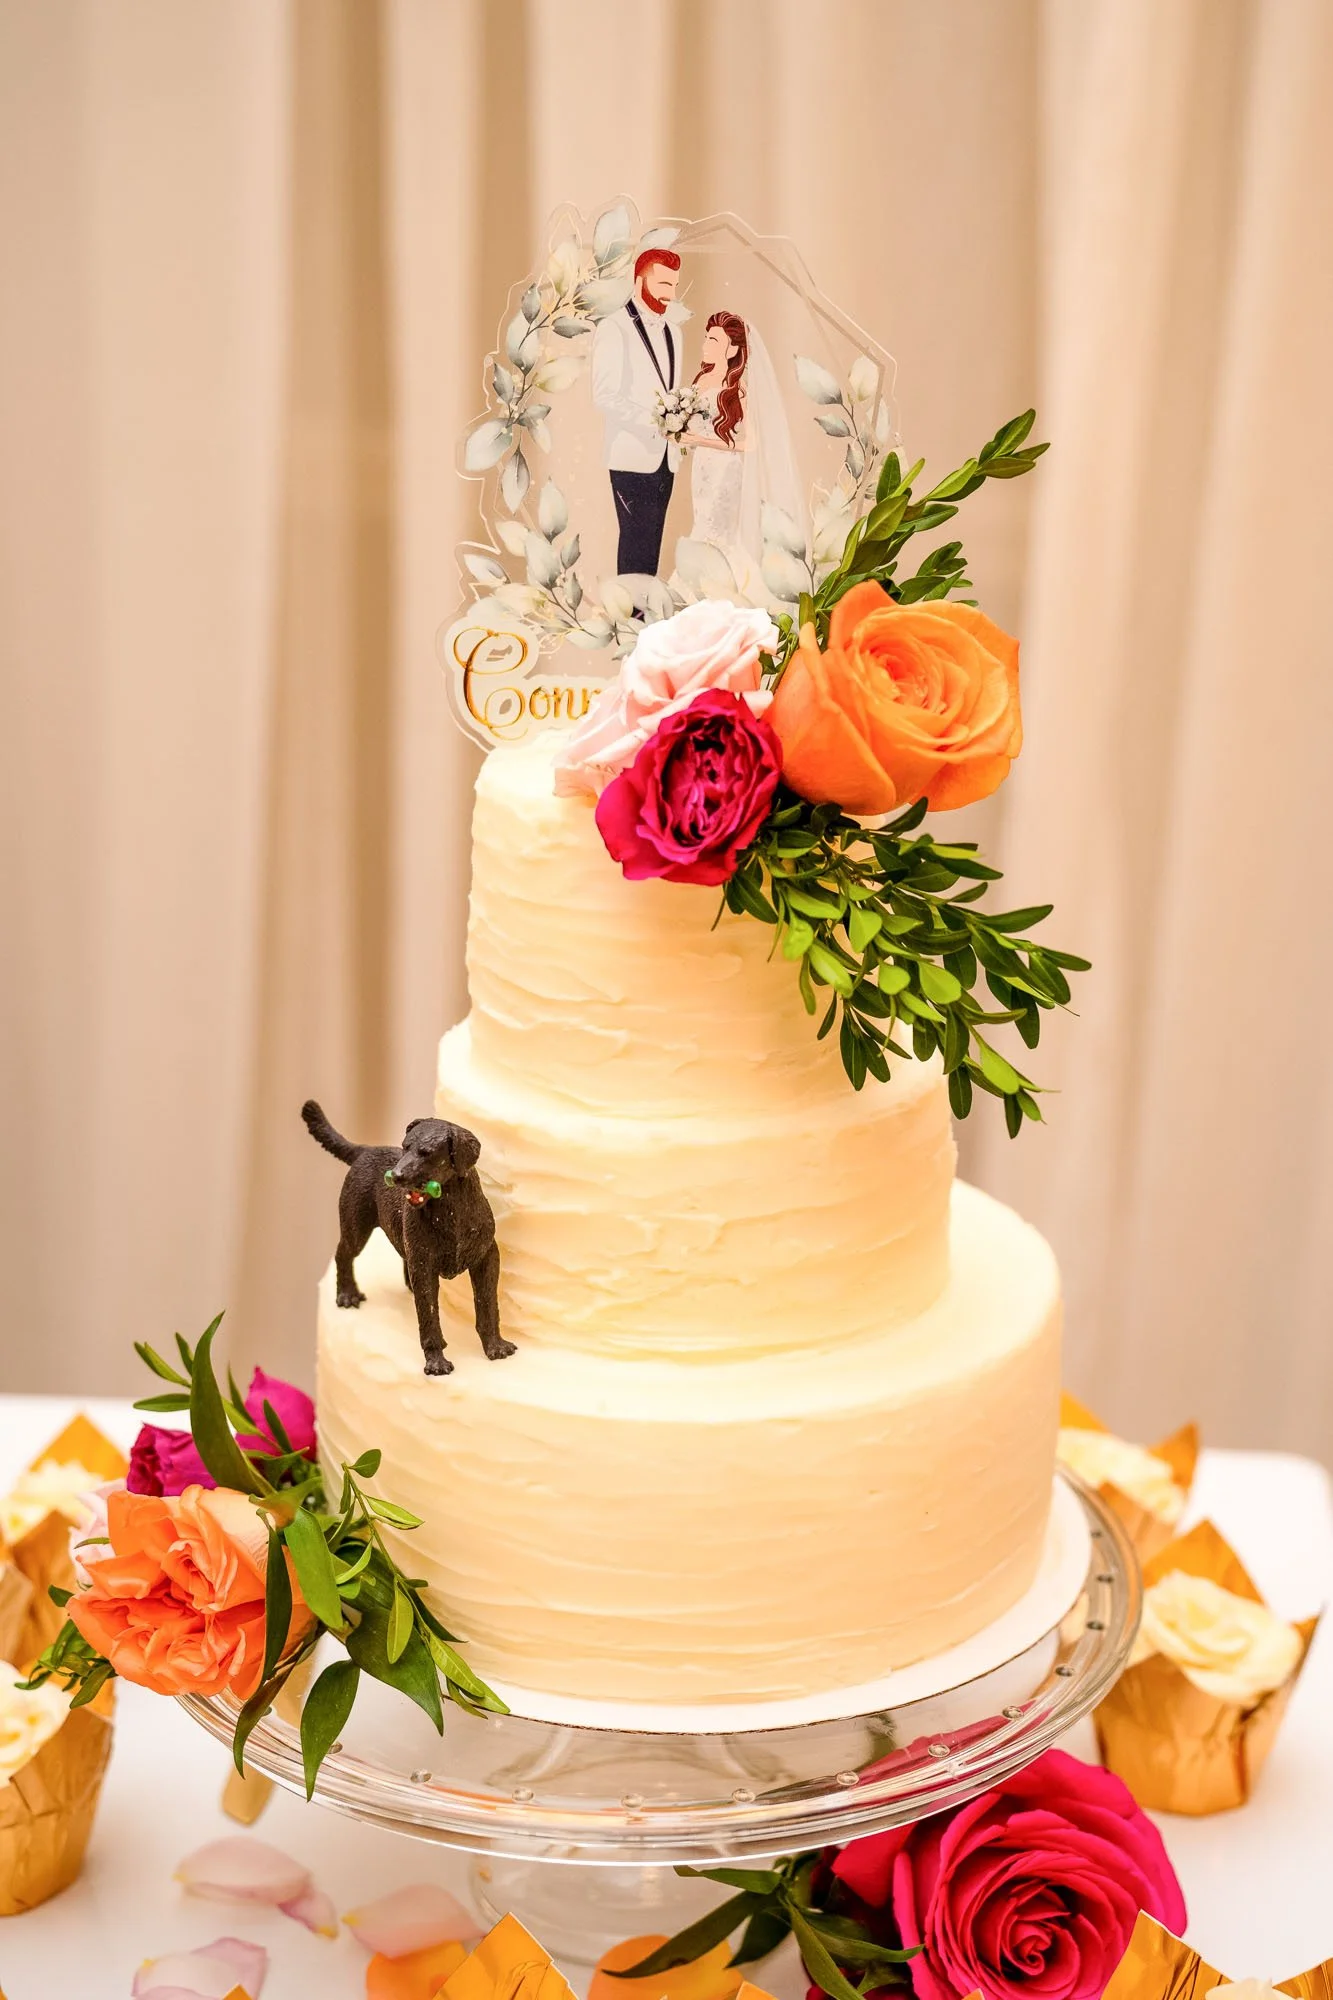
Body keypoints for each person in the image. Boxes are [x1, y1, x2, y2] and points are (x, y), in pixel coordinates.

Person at [675, 309, 803, 597]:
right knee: (701, 522)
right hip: (702, 468)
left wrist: (700, 440)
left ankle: (725, 588)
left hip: (725, 469)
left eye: (715, 341)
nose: (706, 345)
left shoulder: (737, 390)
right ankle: (701, 585)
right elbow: (691, 426)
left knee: (717, 531)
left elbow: (750, 443)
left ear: (732, 348)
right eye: (707, 338)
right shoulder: (700, 382)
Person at [591, 247, 682, 578]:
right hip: (631, 457)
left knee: (653, 545)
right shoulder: (614, 327)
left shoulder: (674, 332)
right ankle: (630, 623)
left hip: (666, 459)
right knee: (635, 545)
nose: (668, 294)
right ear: (638, 280)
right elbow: (604, 395)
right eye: (662, 284)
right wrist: (657, 423)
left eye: (673, 286)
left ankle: (642, 624)